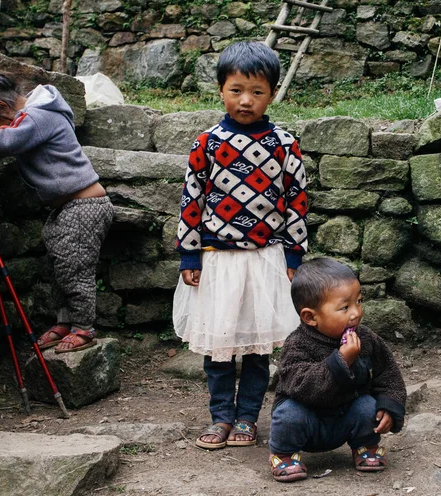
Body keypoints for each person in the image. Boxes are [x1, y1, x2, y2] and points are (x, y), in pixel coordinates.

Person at [174, 41, 308, 450]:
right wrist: (189, 253)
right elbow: (192, 199)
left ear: (272, 92)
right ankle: (220, 418)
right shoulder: (208, 143)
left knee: (256, 346)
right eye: (236, 90)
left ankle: (248, 418)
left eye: (257, 92)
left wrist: (292, 254)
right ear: (220, 89)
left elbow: (297, 200)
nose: (246, 100)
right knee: (219, 344)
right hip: (217, 260)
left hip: (265, 259)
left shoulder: (284, 144)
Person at [0, 57, 113, 353]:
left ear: (0, 107)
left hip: (84, 206)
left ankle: (84, 328)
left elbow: (3, 142)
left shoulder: (39, 116)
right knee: (58, 267)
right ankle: (65, 322)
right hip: (67, 207)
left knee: (74, 268)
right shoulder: (35, 110)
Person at [269, 257, 406, 482]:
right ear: (310, 317)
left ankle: (364, 445)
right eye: (345, 307)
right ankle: (283, 454)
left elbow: (388, 373)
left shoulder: (366, 338)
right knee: (288, 414)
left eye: (359, 301)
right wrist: (341, 360)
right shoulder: (297, 344)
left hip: (345, 417)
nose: (356, 313)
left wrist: (390, 406)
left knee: (368, 406)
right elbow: (299, 385)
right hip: (307, 421)